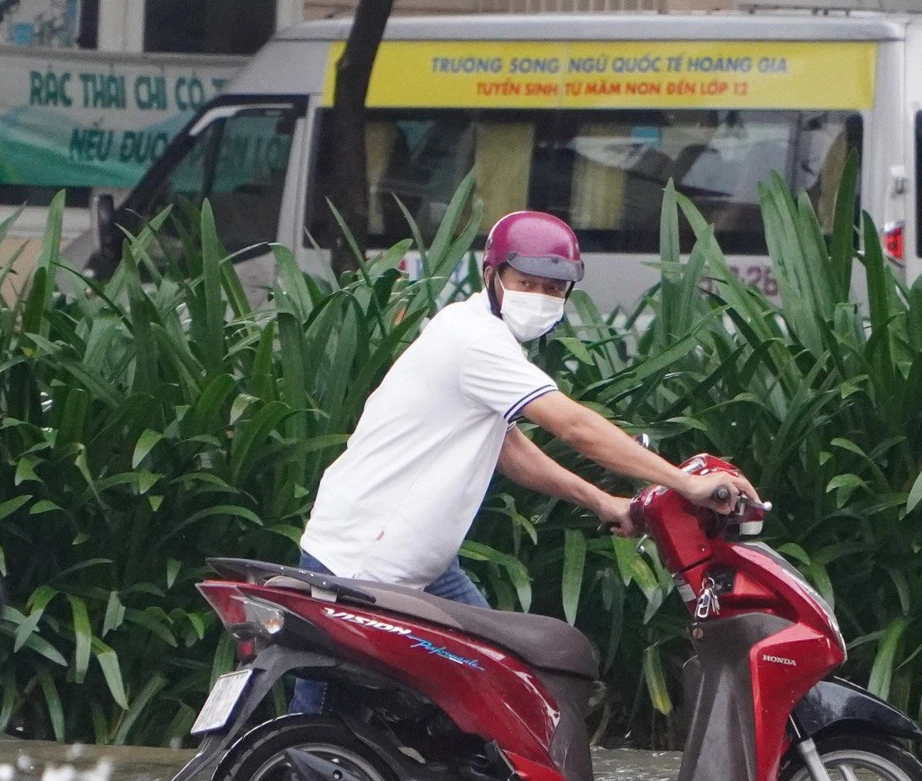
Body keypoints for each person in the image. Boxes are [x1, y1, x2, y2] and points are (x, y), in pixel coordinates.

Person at [289, 210, 757, 712]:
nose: (539, 296)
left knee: (507, 682)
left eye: (553, 288)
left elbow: (510, 451)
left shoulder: (475, 332)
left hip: (413, 559)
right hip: (363, 562)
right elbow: (575, 428)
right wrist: (684, 484)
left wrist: (603, 502)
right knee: (316, 739)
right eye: (525, 281)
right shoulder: (478, 343)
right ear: (493, 276)